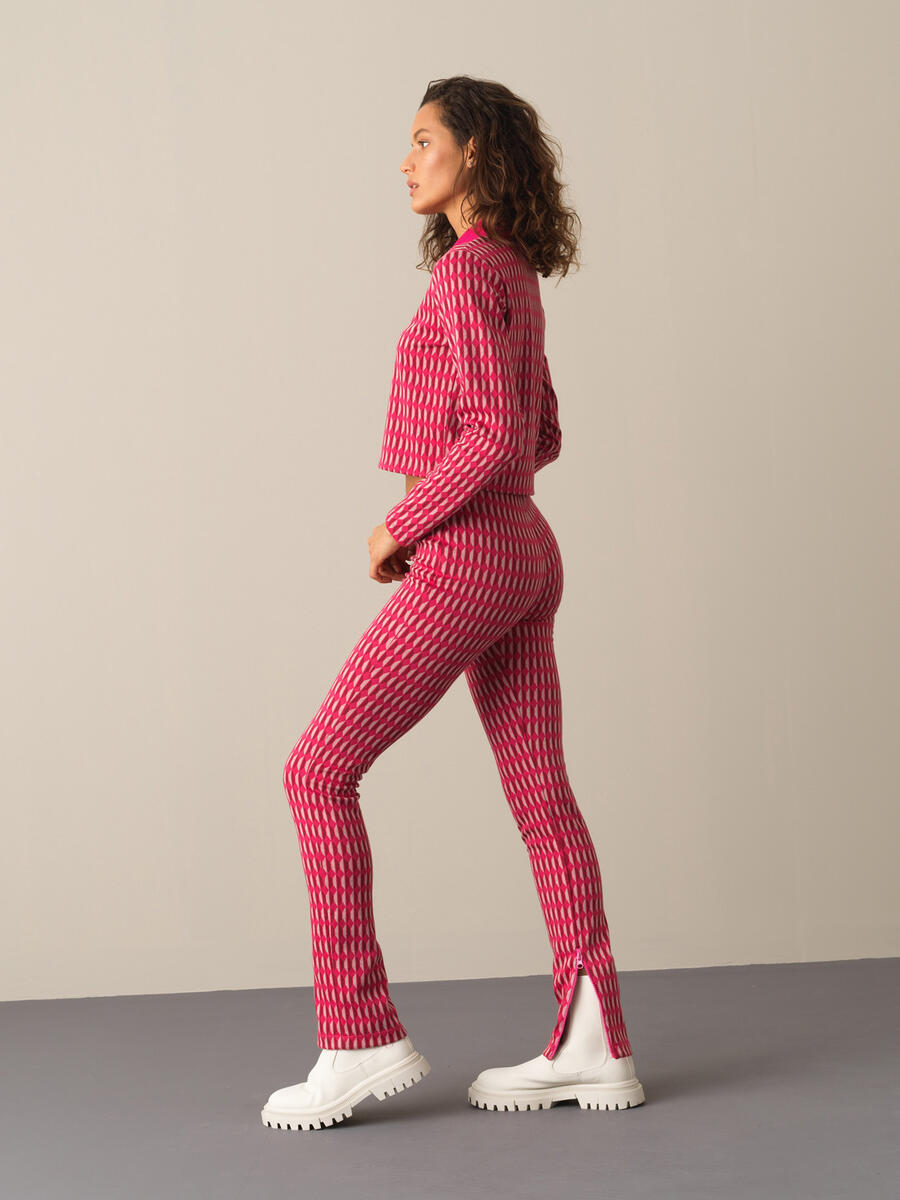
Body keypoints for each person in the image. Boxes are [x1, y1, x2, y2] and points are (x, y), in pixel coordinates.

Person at [261, 75, 645, 1132]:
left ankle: (358, 1034)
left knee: (316, 771)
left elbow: (498, 437)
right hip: (525, 550)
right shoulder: (512, 270)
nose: (406, 160)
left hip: (474, 554)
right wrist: (456, 508)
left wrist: (405, 522)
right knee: (543, 796)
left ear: (475, 151)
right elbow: (541, 434)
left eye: (424, 140)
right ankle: (595, 1039)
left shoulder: (469, 272)